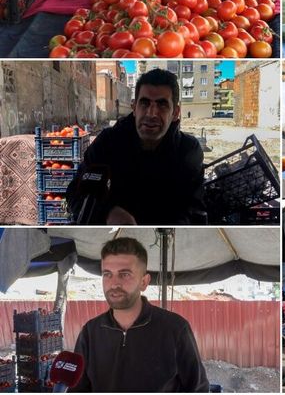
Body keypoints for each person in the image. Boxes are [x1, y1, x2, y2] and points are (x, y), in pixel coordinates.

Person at [66, 68, 204, 225]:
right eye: (145, 103)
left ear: (175, 113)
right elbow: (76, 193)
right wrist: (108, 212)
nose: (151, 113)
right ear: (134, 108)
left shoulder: (188, 151)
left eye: (162, 105)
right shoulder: (108, 142)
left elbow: (194, 210)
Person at [72, 237, 208, 392]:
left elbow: (198, 389)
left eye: (124, 274)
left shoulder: (175, 329)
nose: (114, 283)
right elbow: (78, 389)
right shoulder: (90, 332)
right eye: (107, 274)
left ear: (144, 282)